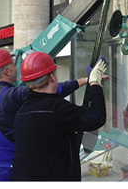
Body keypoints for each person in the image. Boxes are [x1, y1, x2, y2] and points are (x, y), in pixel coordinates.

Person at [0, 49, 89, 181]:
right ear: (7, 71)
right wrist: (83, 81)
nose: (16, 68)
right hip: (7, 165)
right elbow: (48, 90)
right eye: (13, 65)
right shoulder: (14, 95)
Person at [11, 51, 107, 181]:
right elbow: (97, 117)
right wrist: (95, 83)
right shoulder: (56, 109)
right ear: (52, 77)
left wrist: (85, 81)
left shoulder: (22, 112)